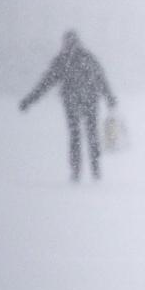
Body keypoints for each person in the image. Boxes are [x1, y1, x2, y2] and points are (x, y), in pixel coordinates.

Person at [19, 30, 117, 181]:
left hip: (74, 103)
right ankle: (94, 170)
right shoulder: (86, 58)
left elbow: (45, 83)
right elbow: (101, 79)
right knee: (90, 136)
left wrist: (29, 100)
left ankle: (78, 171)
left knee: (77, 137)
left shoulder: (63, 60)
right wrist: (109, 98)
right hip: (88, 102)